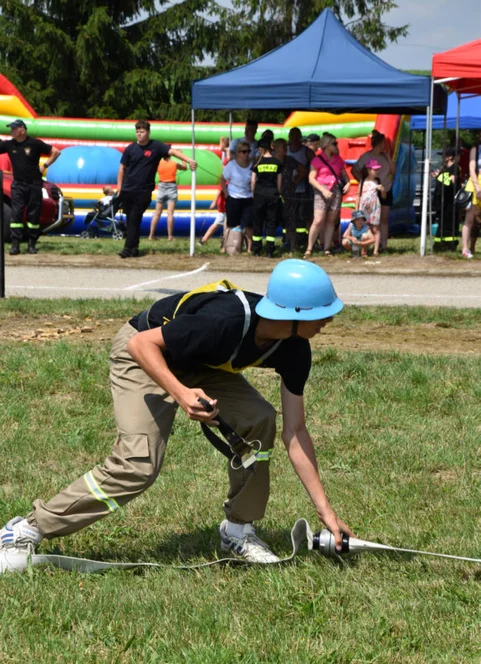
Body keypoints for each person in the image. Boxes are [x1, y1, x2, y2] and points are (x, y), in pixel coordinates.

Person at [0, 260, 352, 573]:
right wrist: (182, 394)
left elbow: (296, 431)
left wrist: (326, 511)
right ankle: (25, 530)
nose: (330, 319)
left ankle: (238, 531)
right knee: (137, 465)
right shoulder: (225, 321)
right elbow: (141, 346)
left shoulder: (295, 349)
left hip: (199, 364)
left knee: (260, 419)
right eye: (323, 313)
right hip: (143, 352)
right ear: (292, 314)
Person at [117, 120, 196, 259]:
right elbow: (122, 168)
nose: (139, 134)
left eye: (142, 132)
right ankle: (134, 248)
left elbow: (172, 151)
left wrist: (189, 160)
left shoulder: (156, 146)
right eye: (137, 131)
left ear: (148, 132)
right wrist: (119, 188)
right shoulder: (130, 149)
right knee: (131, 219)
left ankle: (127, 248)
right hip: (128, 189)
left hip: (144, 191)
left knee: (134, 217)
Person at [0, 119, 61, 255]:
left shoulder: (35, 143)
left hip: (34, 185)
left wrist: (44, 166)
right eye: (11, 129)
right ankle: (15, 245)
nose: (11, 131)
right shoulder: (9, 145)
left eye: (14, 129)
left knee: (34, 216)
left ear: (22, 129)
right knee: (16, 215)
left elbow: (56, 152)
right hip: (17, 185)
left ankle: (31, 245)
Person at [304, 132, 350, 259]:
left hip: (335, 190)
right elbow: (311, 178)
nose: (337, 145)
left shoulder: (338, 160)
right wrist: (323, 190)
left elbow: (344, 175)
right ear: (327, 145)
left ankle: (327, 248)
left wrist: (348, 184)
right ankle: (309, 248)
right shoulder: (317, 160)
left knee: (331, 221)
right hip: (321, 190)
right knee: (318, 220)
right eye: (334, 143)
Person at [352, 131, 395, 252]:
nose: (385, 146)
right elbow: (354, 170)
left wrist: (388, 157)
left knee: (384, 219)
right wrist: (363, 183)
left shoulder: (384, 156)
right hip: (371, 193)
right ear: (378, 144)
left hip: (385, 188)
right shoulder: (366, 157)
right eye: (383, 143)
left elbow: (393, 171)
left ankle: (383, 245)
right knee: (370, 220)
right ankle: (367, 245)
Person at [273, 138, 307, 252]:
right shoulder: (271, 161)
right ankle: (270, 246)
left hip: (288, 194)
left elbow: (302, 170)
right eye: (283, 147)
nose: (286, 149)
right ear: (276, 148)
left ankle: (292, 246)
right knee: (272, 220)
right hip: (273, 195)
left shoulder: (289, 160)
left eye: (286, 147)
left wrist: (295, 182)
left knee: (291, 220)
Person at [251, 137, 282, 257]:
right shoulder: (277, 162)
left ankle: (256, 249)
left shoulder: (257, 162)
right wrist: (278, 193)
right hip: (273, 193)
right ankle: (269, 250)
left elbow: (253, 181)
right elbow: (279, 181)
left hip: (259, 193)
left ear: (261, 149)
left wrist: (254, 194)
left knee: (258, 221)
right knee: (271, 221)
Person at [221, 141, 253, 253]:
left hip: (248, 198)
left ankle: (249, 248)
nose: (246, 154)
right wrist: (227, 195)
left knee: (248, 225)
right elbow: (222, 179)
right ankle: (227, 246)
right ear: (238, 153)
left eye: (248, 151)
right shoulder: (231, 165)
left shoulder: (252, 165)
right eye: (244, 152)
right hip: (233, 197)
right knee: (231, 224)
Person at [148, 157, 187, 242]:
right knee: (170, 213)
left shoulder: (158, 163)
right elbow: (185, 168)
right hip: (171, 187)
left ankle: (151, 235)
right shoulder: (174, 163)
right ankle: (170, 236)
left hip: (161, 186)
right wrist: (182, 157)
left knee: (157, 213)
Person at [287, 127, 315, 246]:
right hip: (289, 188)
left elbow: (316, 165)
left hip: (304, 188)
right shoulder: (286, 150)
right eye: (292, 136)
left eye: (296, 136)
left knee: (305, 215)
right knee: (290, 216)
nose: (294, 139)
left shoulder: (306, 151)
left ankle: (308, 240)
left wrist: (299, 180)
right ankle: (290, 241)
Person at [432, 147, 461, 251]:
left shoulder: (454, 167)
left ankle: (450, 245)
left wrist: (440, 177)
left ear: (450, 157)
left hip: (450, 202)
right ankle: (439, 244)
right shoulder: (444, 168)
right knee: (442, 222)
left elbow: (452, 181)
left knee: (450, 223)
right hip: (441, 201)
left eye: (444, 155)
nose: (442, 157)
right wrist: (437, 175)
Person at [359, 158, 386, 256]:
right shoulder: (362, 181)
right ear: (368, 170)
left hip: (375, 207)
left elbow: (384, 197)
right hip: (364, 208)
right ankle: (364, 250)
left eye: (378, 169)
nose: (377, 171)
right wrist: (357, 209)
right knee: (364, 228)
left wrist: (382, 190)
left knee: (375, 229)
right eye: (375, 169)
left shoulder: (377, 181)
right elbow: (358, 195)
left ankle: (375, 250)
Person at [460, 132, 481, 259]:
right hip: (475, 185)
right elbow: (471, 169)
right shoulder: (475, 149)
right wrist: (477, 187)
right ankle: (465, 248)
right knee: (469, 219)